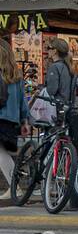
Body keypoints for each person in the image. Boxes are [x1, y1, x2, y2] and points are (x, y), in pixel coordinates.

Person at [0, 38, 31, 194]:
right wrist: (25, 121)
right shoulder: (16, 75)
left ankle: (14, 187)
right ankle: (14, 186)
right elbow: (22, 102)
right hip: (11, 120)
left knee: (1, 153)